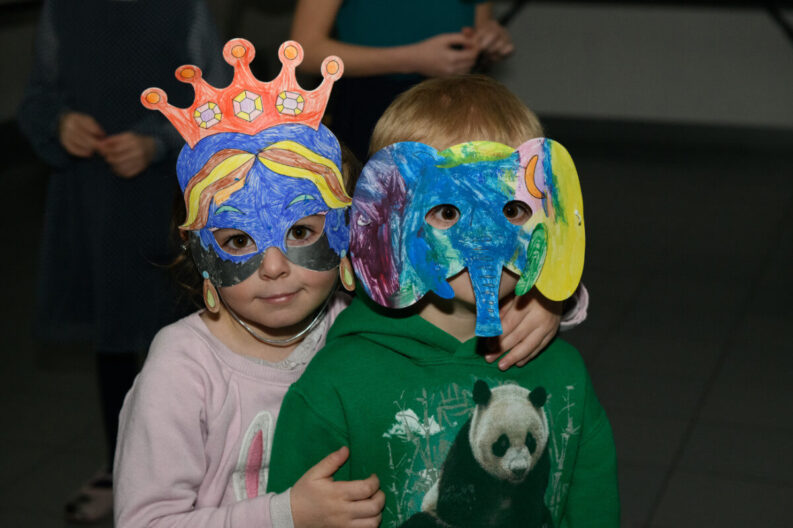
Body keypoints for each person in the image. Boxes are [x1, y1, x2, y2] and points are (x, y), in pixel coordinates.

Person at [114, 40, 573, 528]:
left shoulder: (358, 319)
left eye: (301, 232)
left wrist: (547, 301)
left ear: (353, 234)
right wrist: (284, 514)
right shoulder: (182, 370)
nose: (274, 267)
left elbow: (452, 315)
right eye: (237, 240)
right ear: (198, 254)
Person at [267, 75, 619, 527]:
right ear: (393, 220)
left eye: (511, 210)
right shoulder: (335, 383)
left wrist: (554, 300)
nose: (484, 238)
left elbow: (593, 507)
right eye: (448, 213)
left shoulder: (566, 374)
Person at [16, 0, 225, 522]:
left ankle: (204, 469)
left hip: (168, 204)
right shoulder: (62, 10)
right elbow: (38, 98)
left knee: (182, 338)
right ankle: (123, 463)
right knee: (113, 343)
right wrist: (60, 124)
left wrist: (156, 142)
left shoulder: (183, 9)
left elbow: (218, 106)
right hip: (92, 202)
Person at [291, 0, 515, 161]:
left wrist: (489, 40)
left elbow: (476, 33)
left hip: (457, 108)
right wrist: (413, 59)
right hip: (369, 109)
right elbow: (305, 51)